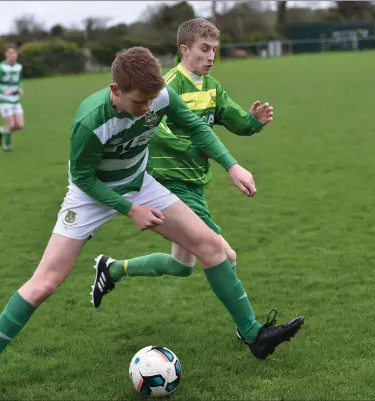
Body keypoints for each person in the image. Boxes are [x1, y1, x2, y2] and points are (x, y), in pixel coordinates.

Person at [0, 46, 303, 401]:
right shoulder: (90, 121)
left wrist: (232, 165)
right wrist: (128, 209)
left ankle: (254, 335)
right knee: (45, 283)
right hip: (90, 196)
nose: (148, 109)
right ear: (116, 90)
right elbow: (85, 179)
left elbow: (195, 127)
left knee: (211, 247)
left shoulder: (159, 96)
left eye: (152, 100)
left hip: (140, 183)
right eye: (139, 102)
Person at [96, 18, 291, 347]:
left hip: (195, 182)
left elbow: (232, 119)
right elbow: (157, 132)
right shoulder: (165, 86)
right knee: (224, 255)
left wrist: (253, 122)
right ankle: (249, 330)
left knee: (181, 264)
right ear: (184, 50)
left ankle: (112, 269)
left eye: (215, 49)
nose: (211, 55)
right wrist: (194, 146)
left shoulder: (213, 87)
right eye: (204, 48)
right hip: (169, 183)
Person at [0, 43, 24, 152]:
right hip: (3, 99)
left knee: (20, 125)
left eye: (14, 53)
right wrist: (3, 91)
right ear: (6, 55)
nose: (13, 55)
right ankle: (7, 147)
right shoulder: (1, 67)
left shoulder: (19, 67)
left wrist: (20, 88)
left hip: (15, 99)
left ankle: (0, 131)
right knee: (11, 124)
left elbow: (19, 80)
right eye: (10, 53)